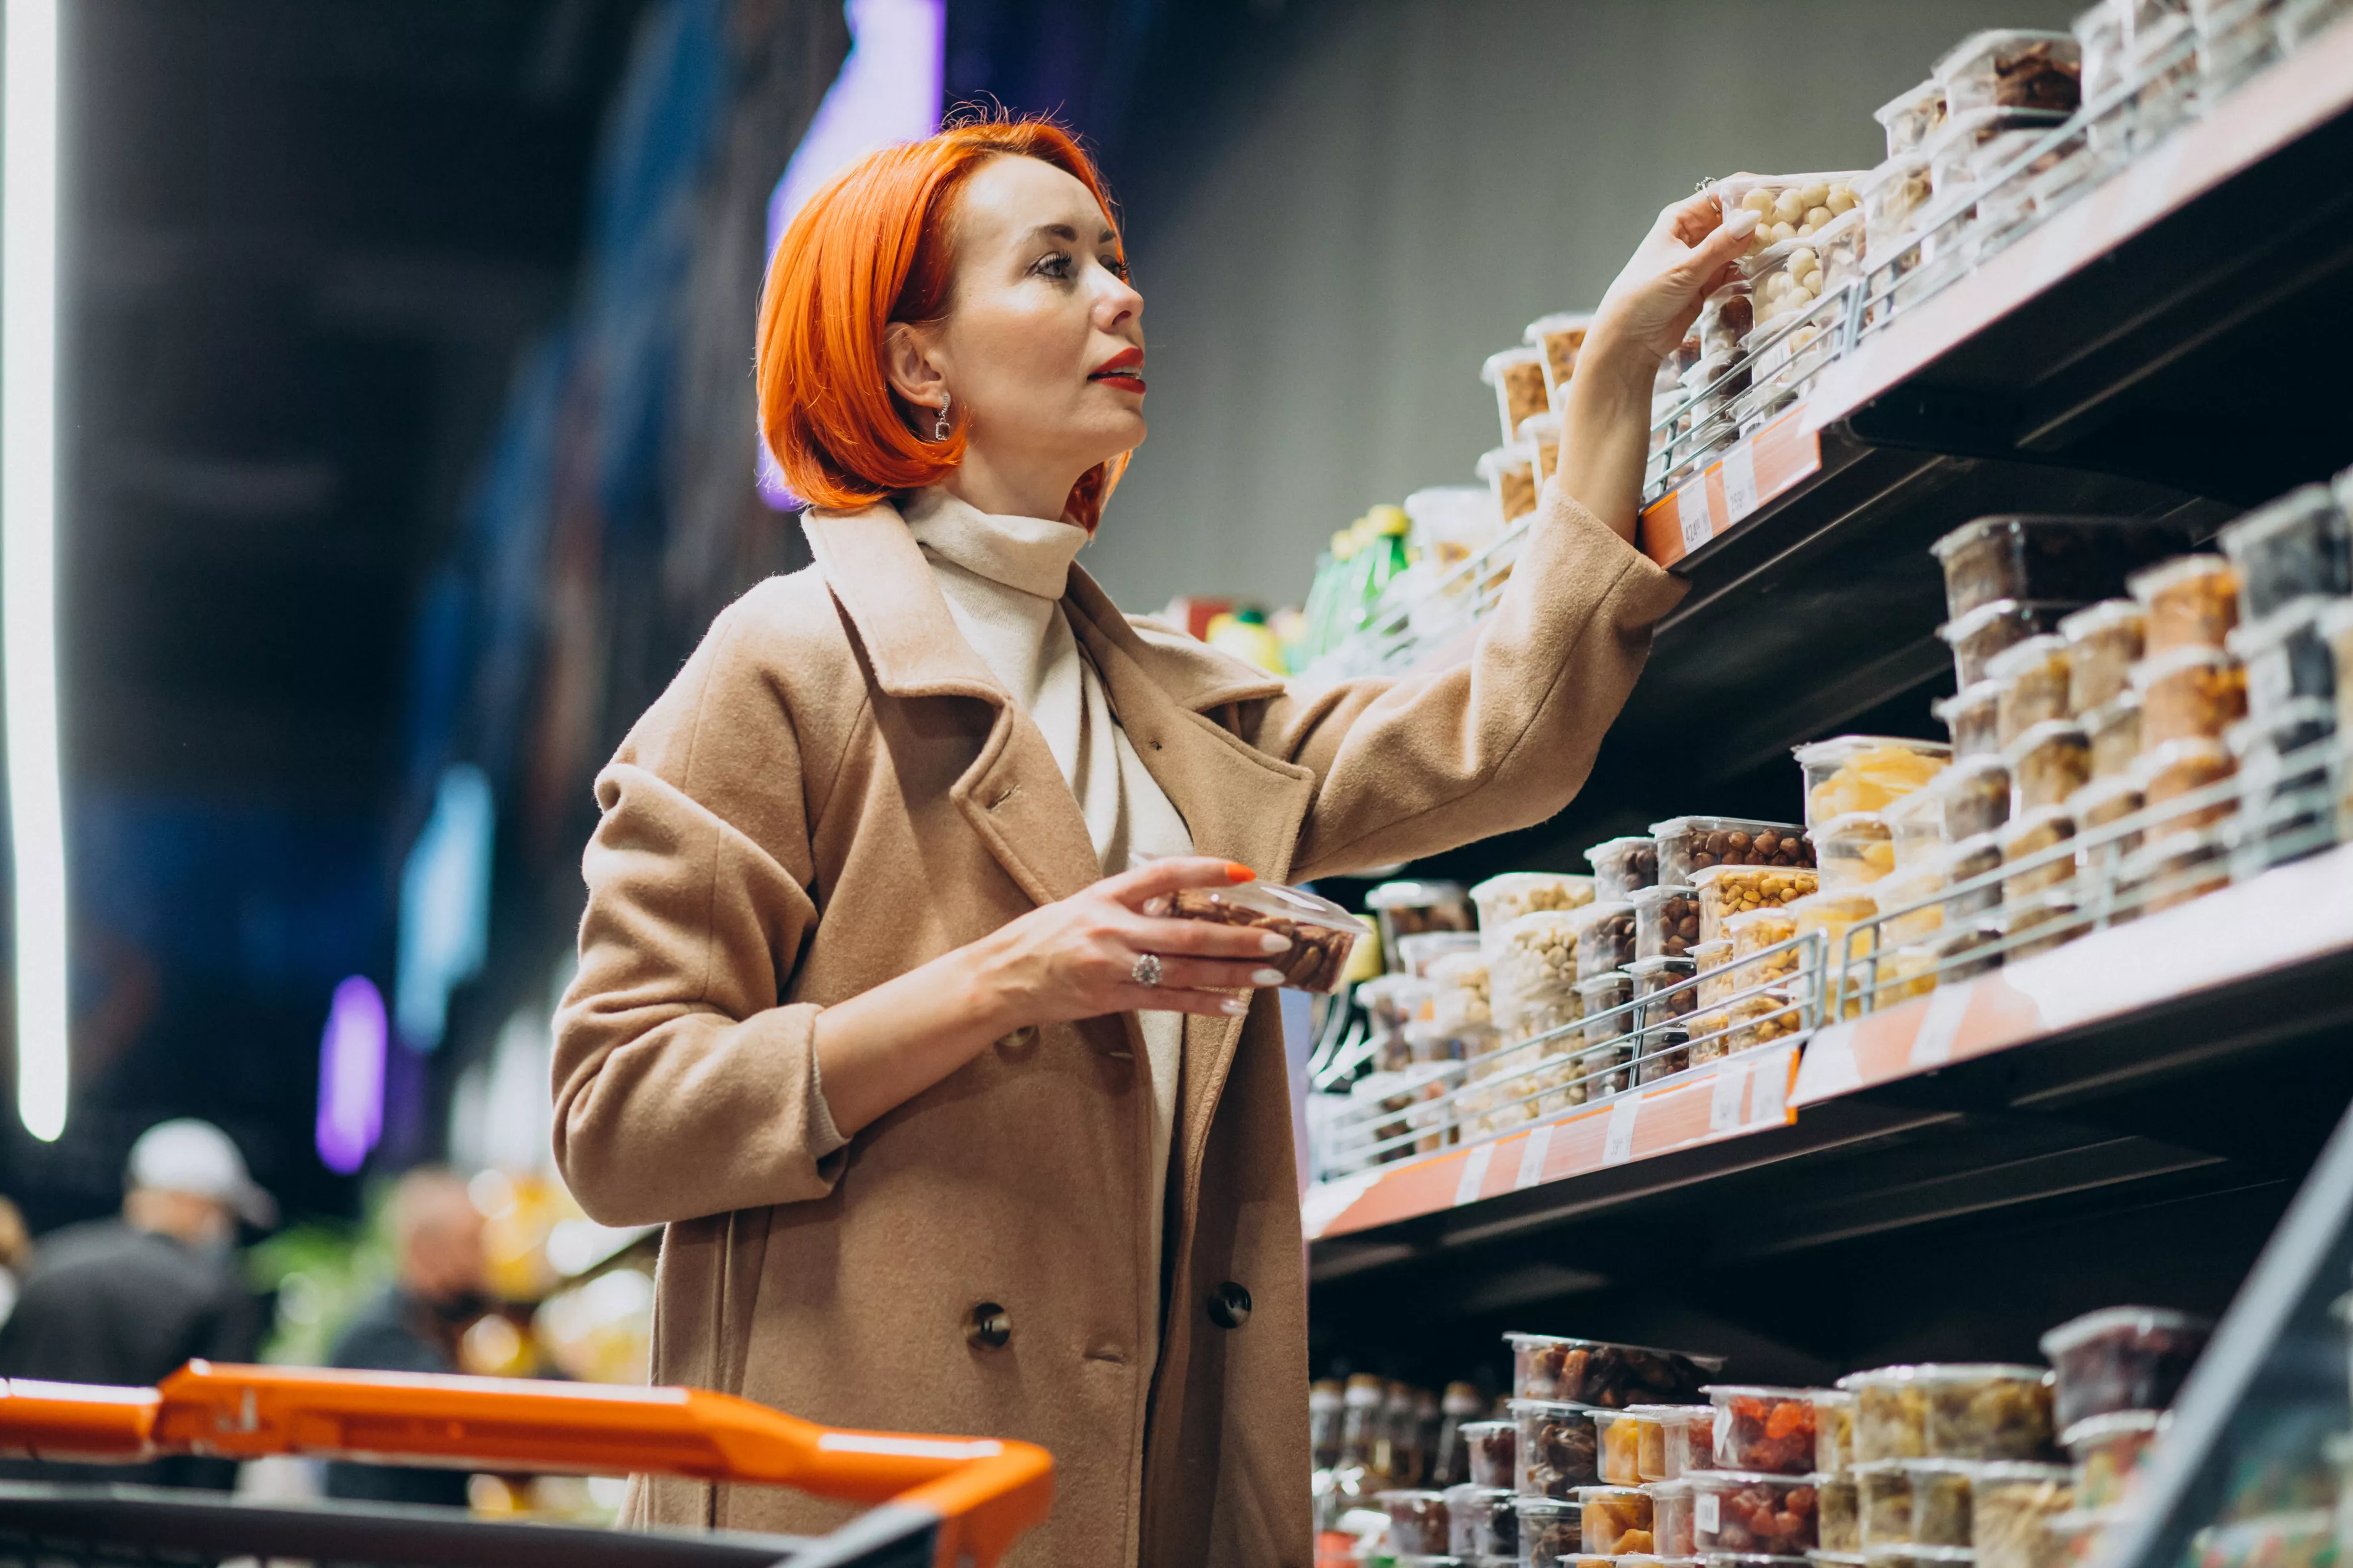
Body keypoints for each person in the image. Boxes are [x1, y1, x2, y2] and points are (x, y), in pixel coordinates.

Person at [552, 115, 1749, 1566]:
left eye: (1110, 258)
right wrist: (1009, 978)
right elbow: (617, 1114)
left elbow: (1504, 739)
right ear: (915, 358)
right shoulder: (788, 661)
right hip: (860, 1515)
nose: (1118, 295)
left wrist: (1608, 380)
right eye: (1051, 267)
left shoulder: (1169, 704)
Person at [0, 1118, 273, 1489]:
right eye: (224, 1212)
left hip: (25, 1521)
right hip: (142, 1529)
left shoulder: (48, 1263)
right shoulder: (219, 1295)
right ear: (194, 1203)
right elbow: (219, 1443)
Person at [321, 1167, 491, 1509]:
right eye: (473, 1243)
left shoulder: (422, 1324)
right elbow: (469, 1426)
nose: (485, 1260)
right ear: (426, 1249)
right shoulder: (381, 1338)